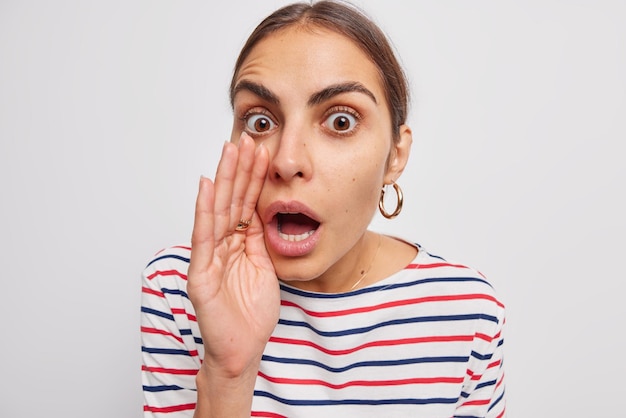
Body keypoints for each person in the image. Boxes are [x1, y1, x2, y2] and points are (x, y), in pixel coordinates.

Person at [140, 1, 506, 417]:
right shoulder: (182, 287)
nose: (287, 160)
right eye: (260, 121)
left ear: (395, 155)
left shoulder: (463, 309)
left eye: (341, 122)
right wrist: (228, 375)